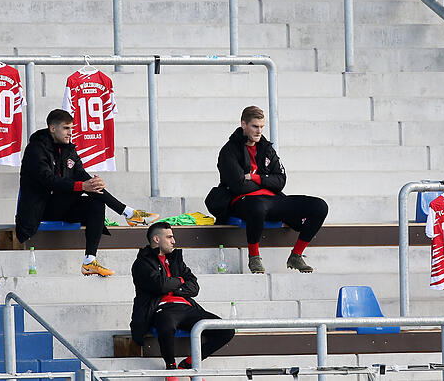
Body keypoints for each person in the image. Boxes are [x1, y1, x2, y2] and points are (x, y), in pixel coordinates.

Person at [15, 109, 159, 277]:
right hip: (40, 209)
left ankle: (90, 260)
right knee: (82, 187)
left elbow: (81, 175)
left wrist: (94, 183)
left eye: (71, 128)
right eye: (66, 128)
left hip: (62, 206)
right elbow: (48, 180)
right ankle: (129, 213)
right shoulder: (36, 149)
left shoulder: (69, 149)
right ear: (52, 128)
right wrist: (83, 186)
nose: (70, 133)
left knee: (96, 202)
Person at [207, 105, 328, 274]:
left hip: (272, 200)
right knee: (258, 205)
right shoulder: (229, 150)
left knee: (320, 206)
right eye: (255, 126)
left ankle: (296, 255)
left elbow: (281, 180)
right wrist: (267, 181)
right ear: (244, 124)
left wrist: (256, 178)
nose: (259, 131)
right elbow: (239, 186)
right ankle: (254, 257)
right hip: (242, 202)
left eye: (262, 127)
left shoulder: (266, 148)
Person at [130, 222, 234, 373]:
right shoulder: (142, 262)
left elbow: (194, 287)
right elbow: (160, 285)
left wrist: (174, 287)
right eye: (169, 237)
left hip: (187, 307)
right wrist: (181, 281)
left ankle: (189, 363)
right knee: (165, 325)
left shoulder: (176, 260)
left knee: (226, 330)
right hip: (161, 308)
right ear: (156, 239)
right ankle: (171, 368)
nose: (174, 241)